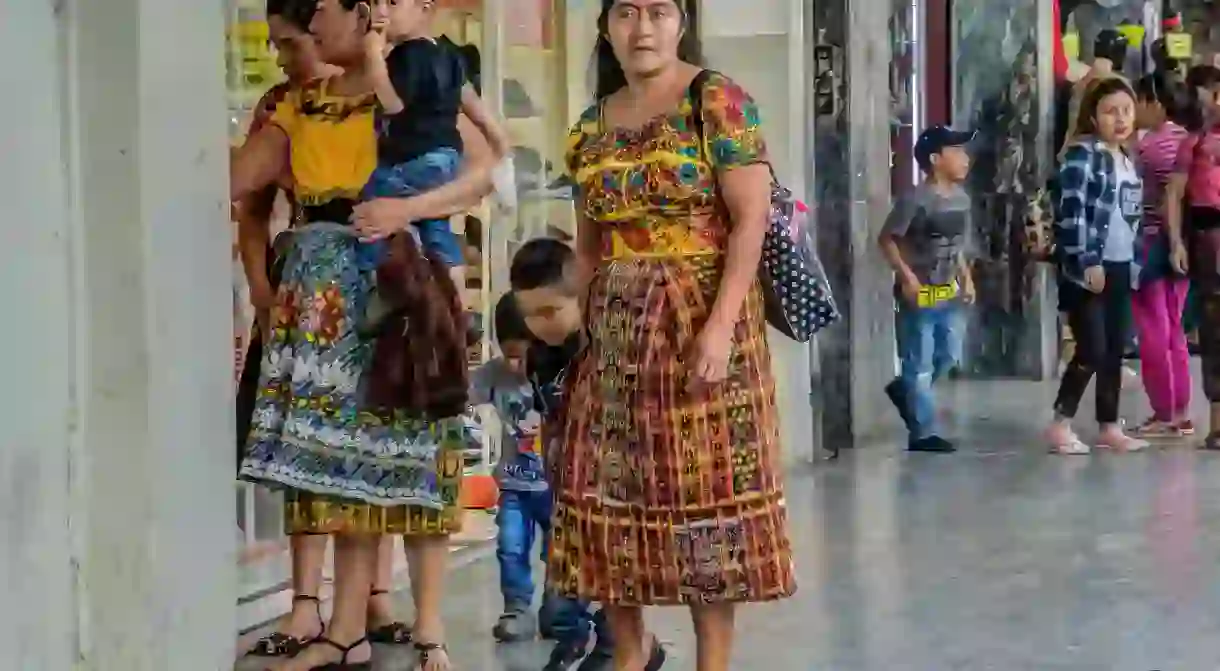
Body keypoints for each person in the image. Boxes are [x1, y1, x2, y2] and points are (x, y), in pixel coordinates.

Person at [230, 0, 499, 667]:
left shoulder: (403, 83)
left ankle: (416, 624)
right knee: (339, 459)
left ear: (362, 19)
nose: (315, 29)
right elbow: (238, 178)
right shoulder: (297, 102)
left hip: (396, 277)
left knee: (411, 445)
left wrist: (406, 207)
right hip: (319, 288)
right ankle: (340, 625)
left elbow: (483, 170)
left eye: (325, 13)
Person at [551, 2, 796, 670]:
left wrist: (719, 328)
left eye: (658, 10)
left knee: (705, 497)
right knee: (603, 495)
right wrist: (578, 323)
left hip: (701, 319)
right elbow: (590, 243)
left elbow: (748, 222)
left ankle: (711, 662)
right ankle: (630, 652)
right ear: (605, 27)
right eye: (625, 12)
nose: (642, 28)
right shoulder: (591, 126)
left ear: (681, 21)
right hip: (616, 331)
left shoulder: (715, 100)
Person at [362, 0, 508, 334]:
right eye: (375, 3)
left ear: (424, 9)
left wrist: (373, 55)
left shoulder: (407, 56)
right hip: (444, 159)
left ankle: (376, 290)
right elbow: (476, 109)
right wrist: (502, 147)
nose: (381, 12)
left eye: (393, 3)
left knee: (370, 209)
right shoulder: (449, 55)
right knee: (435, 227)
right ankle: (458, 303)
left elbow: (392, 103)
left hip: (412, 158)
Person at [1047, 77, 1149, 456]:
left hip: (1122, 265)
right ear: (1093, 115)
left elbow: (1132, 219)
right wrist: (1087, 260)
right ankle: (1060, 423)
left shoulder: (1127, 157)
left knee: (1114, 350)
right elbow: (1070, 215)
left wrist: (1134, 265)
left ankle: (1109, 425)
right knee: (1090, 347)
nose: (1120, 119)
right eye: (1110, 111)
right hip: (1086, 267)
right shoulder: (1082, 156)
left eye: (1126, 110)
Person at [878, 125, 977, 453]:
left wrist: (966, 277)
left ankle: (906, 390)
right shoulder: (916, 200)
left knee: (947, 355)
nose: (966, 158)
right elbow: (887, 239)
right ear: (935, 159)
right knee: (918, 362)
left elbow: (957, 246)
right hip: (919, 294)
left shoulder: (962, 200)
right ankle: (924, 432)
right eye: (957, 152)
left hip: (949, 291)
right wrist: (906, 277)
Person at [1131, 72, 1193, 438]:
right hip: (1184, 245)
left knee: (1152, 328)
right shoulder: (1188, 139)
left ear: (1153, 102)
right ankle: (1181, 412)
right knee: (1175, 327)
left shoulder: (1149, 145)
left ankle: (1163, 411)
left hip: (1152, 242)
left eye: (1137, 102)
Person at [1169, 66, 1220, 450]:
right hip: (1207, 241)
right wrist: (1176, 242)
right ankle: (1217, 423)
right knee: (1214, 330)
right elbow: (1174, 194)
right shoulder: (1195, 143)